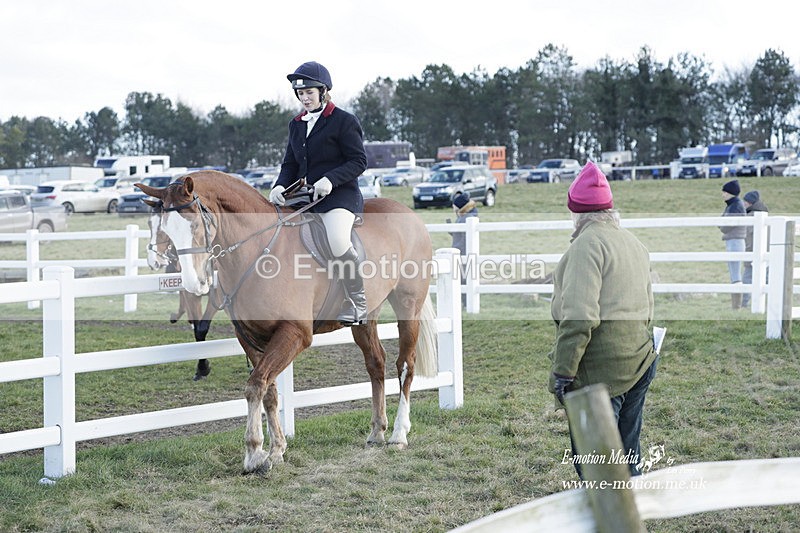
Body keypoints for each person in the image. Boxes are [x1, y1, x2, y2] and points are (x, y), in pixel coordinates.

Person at [548, 161, 657, 479]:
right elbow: (648, 308)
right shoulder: (634, 244)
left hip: (599, 372)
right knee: (628, 458)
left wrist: (563, 372)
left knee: (598, 468)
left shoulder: (586, 246)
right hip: (640, 361)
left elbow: (580, 317)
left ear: (576, 211)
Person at [269, 61, 368, 325]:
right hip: (307, 197)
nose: (304, 98)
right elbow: (290, 163)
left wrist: (330, 179)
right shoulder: (296, 124)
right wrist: (279, 185)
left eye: (309, 93)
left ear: (323, 91)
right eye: (300, 94)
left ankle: (357, 302)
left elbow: (359, 161)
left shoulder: (344, 121)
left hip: (340, 196)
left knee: (337, 240)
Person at [719, 179, 746, 309]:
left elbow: (726, 225)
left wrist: (722, 224)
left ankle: (737, 306)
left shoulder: (736, 205)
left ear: (730, 193)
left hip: (735, 240)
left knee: (735, 273)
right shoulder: (732, 205)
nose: (723, 194)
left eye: (724, 192)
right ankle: (736, 305)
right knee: (734, 272)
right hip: (733, 240)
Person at [741, 190, 768, 308]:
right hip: (767, 252)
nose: (743, 203)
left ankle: (744, 303)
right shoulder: (766, 215)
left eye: (745, 201)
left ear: (750, 203)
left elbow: (746, 235)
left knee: (747, 278)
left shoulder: (750, 217)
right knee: (765, 278)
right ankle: (767, 302)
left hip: (752, 251)